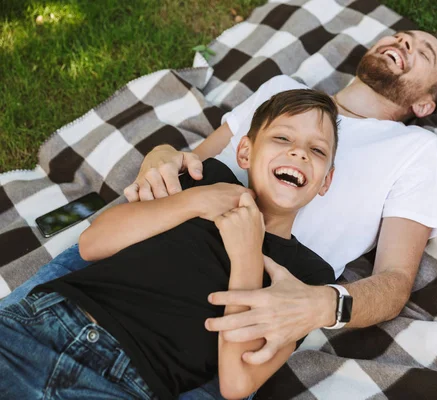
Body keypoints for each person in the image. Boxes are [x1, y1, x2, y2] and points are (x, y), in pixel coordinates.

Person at [1, 29, 437, 389]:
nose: (405, 42)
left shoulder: (416, 147)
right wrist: (163, 153)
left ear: (425, 103)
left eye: (425, 52)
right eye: (402, 36)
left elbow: (396, 282)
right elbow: (195, 166)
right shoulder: (282, 89)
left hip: (247, 308)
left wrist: (322, 303)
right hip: (157, 249)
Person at [0, 89, 339, 400]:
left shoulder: (309, 276)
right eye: (282, 138)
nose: (298, 152)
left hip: (128, 383)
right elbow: (92, 244)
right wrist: (196, 200)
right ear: (246, 152)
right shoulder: (208, 177)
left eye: (317, 150)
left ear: (326, 181)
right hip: (41, 326)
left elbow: (237, 383)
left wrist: (247, 257)